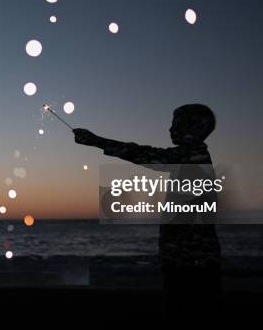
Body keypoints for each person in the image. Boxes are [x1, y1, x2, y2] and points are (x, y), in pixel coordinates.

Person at [73, 103, 221, 323]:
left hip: (191, 265)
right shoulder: (193, 158)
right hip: (190, 263)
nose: (171, 129)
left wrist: (97, 141)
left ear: (194, 127)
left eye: (176, 124)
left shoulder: (191, 157)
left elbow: (145, 154)